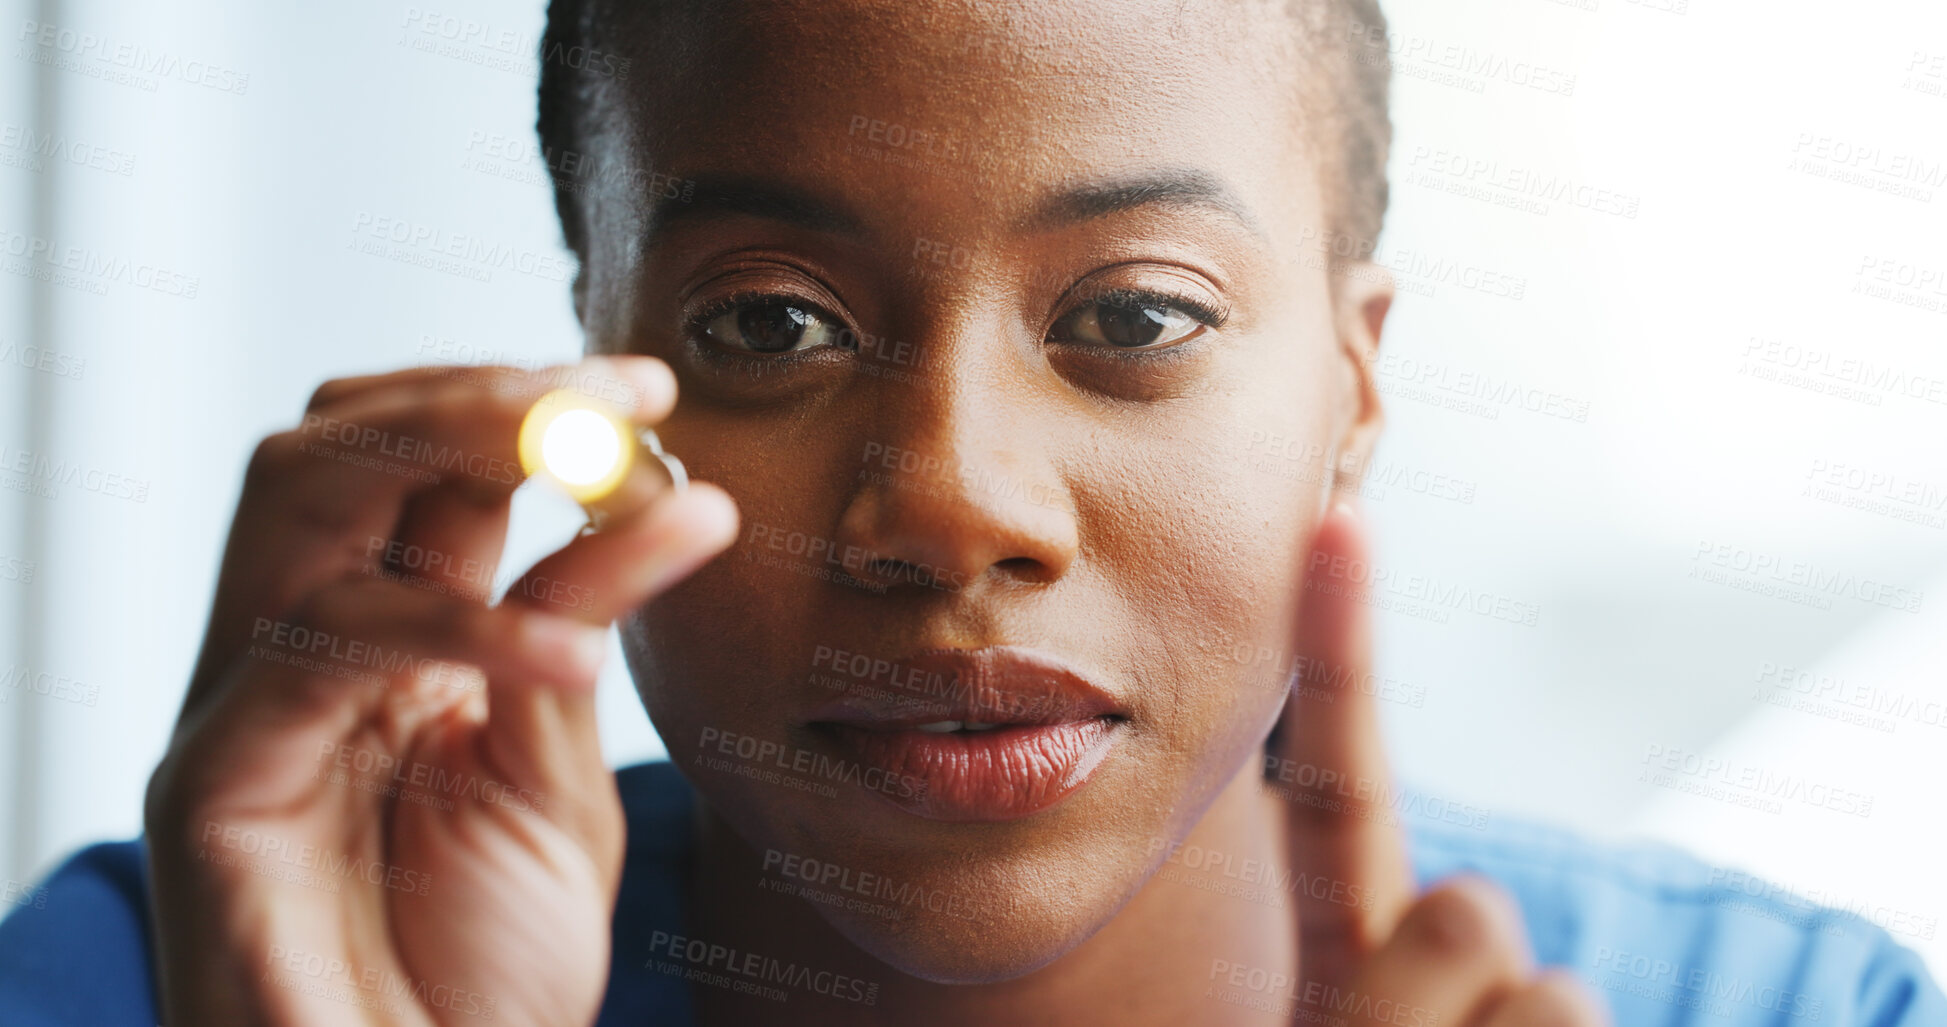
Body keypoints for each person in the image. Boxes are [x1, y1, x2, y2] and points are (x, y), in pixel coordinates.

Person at [3, 0, 1942, 1023]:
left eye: (1130, 317)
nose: (946, 507)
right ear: (587, 358)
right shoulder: (169, 976)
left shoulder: (1791, 1013)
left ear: (1350, 391)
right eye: (769, 322)